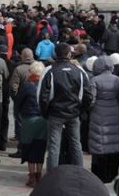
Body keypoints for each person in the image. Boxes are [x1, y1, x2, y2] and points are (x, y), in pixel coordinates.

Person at [39, 42, 92, 170]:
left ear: (55, 54)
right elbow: (88, 95)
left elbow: (42, 97)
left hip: (56, 113)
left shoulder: (50, 71)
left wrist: (46, 113)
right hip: (73, 112)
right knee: (75, 143)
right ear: (69, 54)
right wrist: (80, 110)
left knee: (54, 145)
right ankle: (79, 172)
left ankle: (52, 176)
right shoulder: (79, 71)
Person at [89, 55, 119, 183]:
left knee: (99, 144)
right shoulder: (117, 80)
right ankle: (112, 174)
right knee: (113, 143)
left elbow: (91, 101)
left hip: (97, 116)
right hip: (114, 115)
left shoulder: (94, 80)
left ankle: (99, 176)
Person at [15, 61, 47, 188]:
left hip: (29, 119)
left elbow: (18, 101)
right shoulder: (45, 84)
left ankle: (32, 176)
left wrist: (19, 112)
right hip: (43, 119)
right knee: (40, 146)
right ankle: (39, 175)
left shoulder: (27, 85)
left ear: (31, 71)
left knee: (28, 146)